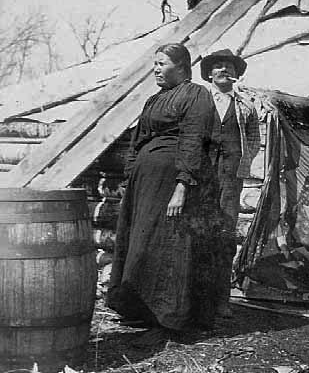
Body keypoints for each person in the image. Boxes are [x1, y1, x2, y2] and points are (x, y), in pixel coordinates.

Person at [107, 43, 222, 339]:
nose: (155, 69)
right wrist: (130, 176)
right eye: (155, 64)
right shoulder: (153, 100)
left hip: (172, 181)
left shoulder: (197, 94)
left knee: (169, 244)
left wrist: (182, 185)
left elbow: (193, 140)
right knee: (140, 242)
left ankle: (169, 318)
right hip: (144, 184)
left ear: (182, 67)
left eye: (162, 64)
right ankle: (139, 310)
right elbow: (138, 140)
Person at [200, 49, 260, 318]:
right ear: (209, 73)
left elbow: (255, 139)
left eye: (229, 67)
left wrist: (241, 165)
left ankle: (220, 300)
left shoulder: (245, 105)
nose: (224, 70)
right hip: (200, 178)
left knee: (224, 236)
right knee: (196, 234)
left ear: (236, 74)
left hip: (230, 179)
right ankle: (193, 300)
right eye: (218, 66)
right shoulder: (198, 100)